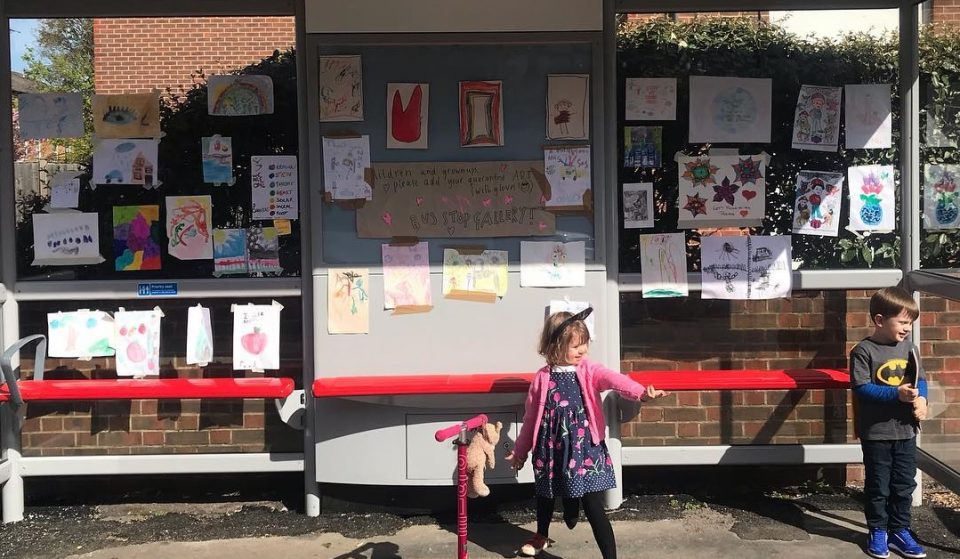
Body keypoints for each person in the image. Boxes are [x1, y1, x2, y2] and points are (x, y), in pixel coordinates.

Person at [505, 308, 667, 558]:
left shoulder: (589, 370)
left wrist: (641, 393)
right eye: (576, 346)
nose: (583, 351)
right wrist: (519, 451)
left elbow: (614, 379)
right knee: (546, 494)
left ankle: (609, 555)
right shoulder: (542, 378)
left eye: (585, 344)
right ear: (555, 346)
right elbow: (530, 420)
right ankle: (541, 535)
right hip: (551, 449)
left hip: (584, 450)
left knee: (592, 503)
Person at [850, 286, 929, 559]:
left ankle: (900, 529)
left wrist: (923, 401)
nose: (908, 328)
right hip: (877, 434)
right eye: (903, 322)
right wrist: (896, 394)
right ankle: (878, 530)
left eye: (911, 323)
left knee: (904, 484)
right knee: (878, 485)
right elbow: (862, 388)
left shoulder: (910, 349)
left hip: (906, 431)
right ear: (880, 320)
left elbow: (921, 381)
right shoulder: (863, 351)